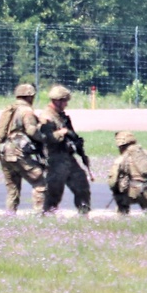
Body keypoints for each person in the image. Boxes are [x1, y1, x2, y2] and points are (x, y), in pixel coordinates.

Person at [38, 85, 93, 216]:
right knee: (54, 191)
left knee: (81, 185)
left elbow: (72, 134)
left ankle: (83, 211)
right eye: (64, 101)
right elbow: (46, 138)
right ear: (57, 100)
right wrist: (63, 132)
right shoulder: (46, 117)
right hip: (54, 158)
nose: (66, 104)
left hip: (67, 156)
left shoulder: (62, 116)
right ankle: (47, 215)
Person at [0, 83, 47, 214]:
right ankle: (39, 214)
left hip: (4, 152)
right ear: (29, 97)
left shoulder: (11, 110)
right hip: (18, 153)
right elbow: (31, 131)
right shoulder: (26, 111)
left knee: (12, 188)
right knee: (40, 182)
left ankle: (10, 215)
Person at [108, 131, 147, 215]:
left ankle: (122, 219)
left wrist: (117, 191)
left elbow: (113, 182)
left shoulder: (121, 159)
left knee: (121, 214)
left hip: (129, 193)